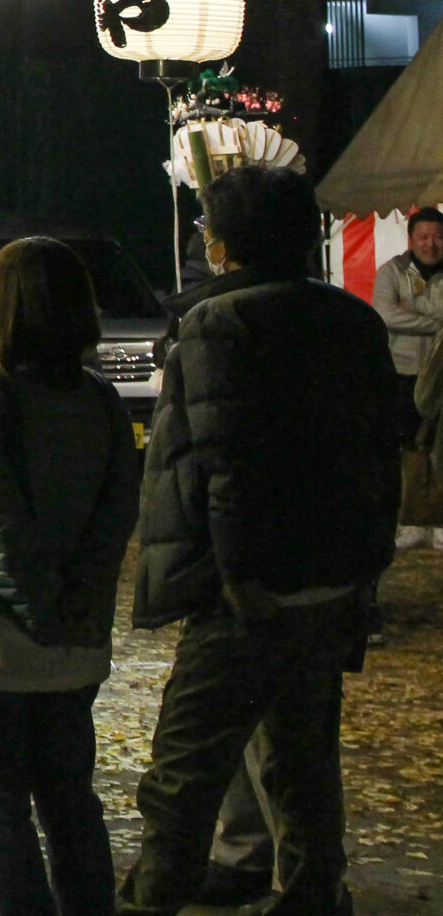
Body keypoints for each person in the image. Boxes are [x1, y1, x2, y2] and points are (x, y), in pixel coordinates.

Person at [119, 164, 400, 916]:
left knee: (183, 774)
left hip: (246, 595)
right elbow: (383, 454)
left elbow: (225, 464)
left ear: (223, 243)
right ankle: (313, 895)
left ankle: (154, 900)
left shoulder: (220, 325)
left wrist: (238, 578)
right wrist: (366, 571)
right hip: (330, 582)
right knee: (305, 762)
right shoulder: (353, 320)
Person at [0, 238, 142, 916]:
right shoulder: (103, 401)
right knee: (70, 799)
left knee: (0, 811)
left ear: (12, 305)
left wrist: (39, 608)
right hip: (73, 642)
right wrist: (73, 605)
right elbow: (114, 518)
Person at [371, 206, 443, 549]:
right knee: (409, 445)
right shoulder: (393, 271)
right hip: (403, 371)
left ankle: (439, 520)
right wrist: (437, 322)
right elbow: (385, 314)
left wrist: (411, 308)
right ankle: (414, 518)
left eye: (438, 237)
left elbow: (401, 313)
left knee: (439, 448)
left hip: (440, 373)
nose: (431, 244)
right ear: (411, 239)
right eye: (423, 237)